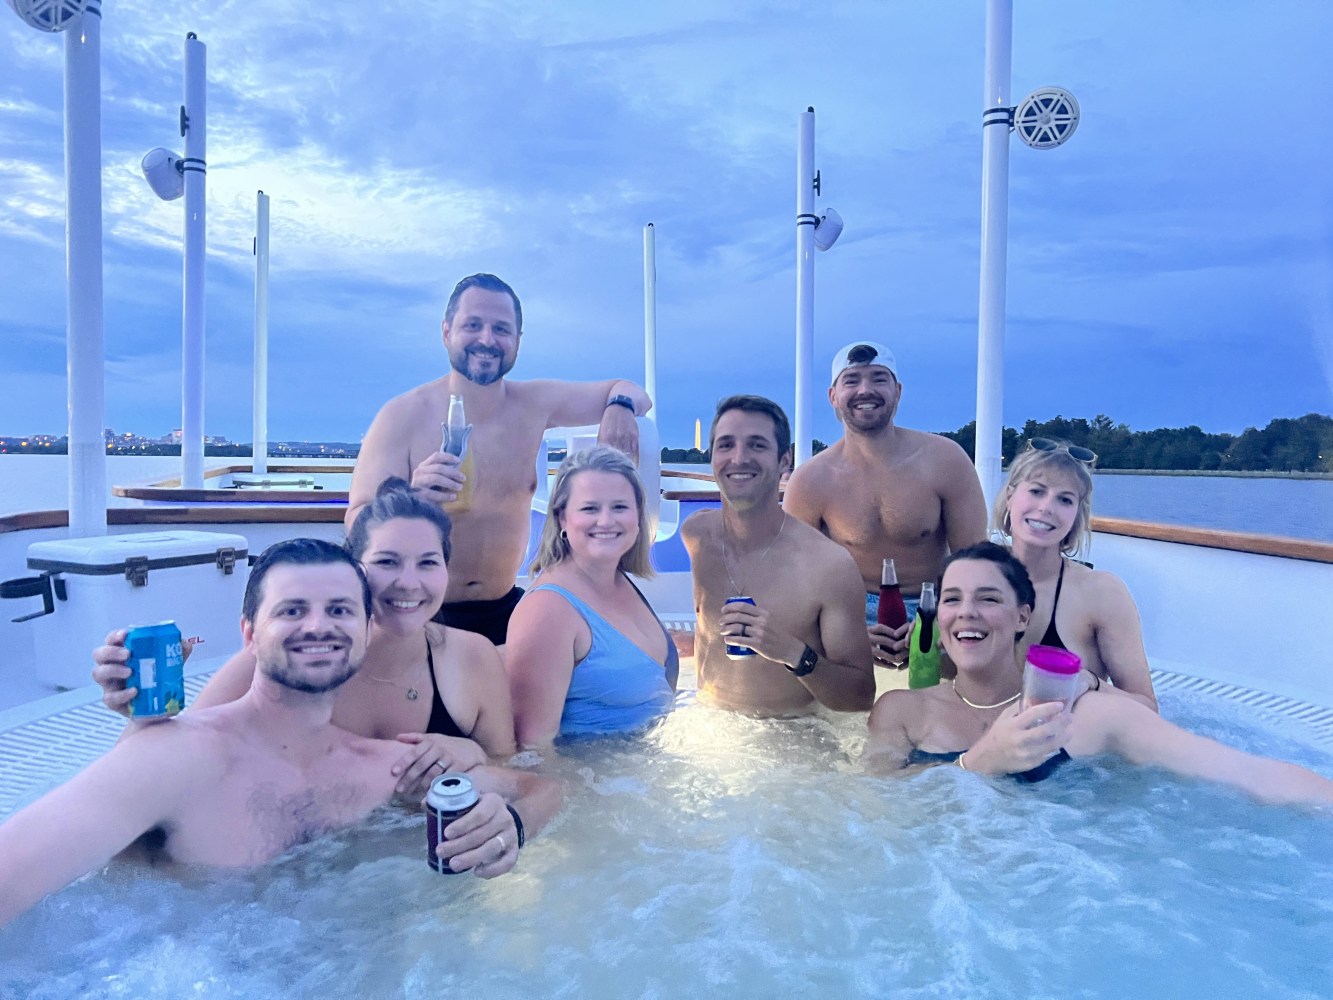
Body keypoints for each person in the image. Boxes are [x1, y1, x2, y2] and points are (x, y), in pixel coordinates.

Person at [1, 539, 563, 928]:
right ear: (249, 633)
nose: (318, 625)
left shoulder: (386, 768)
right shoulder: (179, 755)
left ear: (366, 634)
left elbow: (546, 789)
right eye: (292, 610)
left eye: (340, 610)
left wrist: (511, 824)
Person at [95, 479, 516, 793]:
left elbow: (520, 769)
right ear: (353, 570)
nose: (409, 583)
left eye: (427, 563)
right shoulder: (287, 657)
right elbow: (164, 768)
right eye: (387, 562)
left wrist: (474, 755)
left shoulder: (473, 658)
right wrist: (142, 714)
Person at [863, 542, 1333, 806]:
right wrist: (975, 763)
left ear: (1023, 617)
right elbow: (867, 804)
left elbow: (1242, 770)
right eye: (952, 599)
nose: (967, 613)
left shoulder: (1088, 716)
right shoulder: (903, 712)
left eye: (989, 599)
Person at [346, 273, 652, 647]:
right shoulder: (401, 417)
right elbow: (356, 524)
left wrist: (619, 407)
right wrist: (410, 500)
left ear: (518, 341)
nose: (487, 340)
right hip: (420, 610)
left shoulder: (534, 404)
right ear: (446, 332)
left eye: (501, 329)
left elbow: (630, 390)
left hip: (505, 609)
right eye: (473, 325)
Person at [783, 341, 988, 670]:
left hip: (932, 604)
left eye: (879, 379)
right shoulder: (811, 480)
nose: (866, 390)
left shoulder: (945, 460)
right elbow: (796, 580)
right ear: (833, 396)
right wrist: (848, 633)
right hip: (851, 610)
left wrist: (942, 626)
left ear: (898, 391)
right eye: (852, 381)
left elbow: (977, 562)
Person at [681, 395, 874, 716]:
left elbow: (859, 698)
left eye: (757, 445)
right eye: (726, 445)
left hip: (791, 738)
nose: (739, 458)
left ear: (785, 460)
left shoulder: (828, 565)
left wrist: (793, 653)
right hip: (708, 727)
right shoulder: (697, 536)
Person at [506, 447, 678, 744]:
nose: (606, 521)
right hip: (600, 784)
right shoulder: (548, 611)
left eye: (620, 507)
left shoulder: (619, 581)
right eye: (590, 508)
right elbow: (531, 753)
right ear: (562, 518)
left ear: (638, 515)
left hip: (647, 772)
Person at [992, 438, 1157, 709]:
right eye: (1036, 491)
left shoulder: (1101, 593)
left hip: (1066, 744)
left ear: (1076, 515)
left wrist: (1089, 682)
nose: (1046, 507)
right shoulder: (974, 574)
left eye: (1065, 499)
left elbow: (1147, 707)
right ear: (1010, 496)